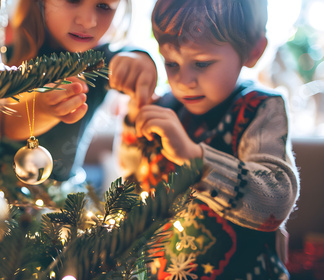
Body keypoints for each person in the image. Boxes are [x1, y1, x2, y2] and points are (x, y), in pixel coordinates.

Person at [118, 0, 300, 278]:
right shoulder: (166, 109)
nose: (183, 80)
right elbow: (129, 183)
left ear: (253, 51)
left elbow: (274, 200)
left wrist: (193, 158)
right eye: (171, 63)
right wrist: (134, 123)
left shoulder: (260, 108)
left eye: (201, 63)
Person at [0, 0, 158, 183]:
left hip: (64, 201)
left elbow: (129, 56)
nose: (88, 21)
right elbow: (5, 125)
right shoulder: (5, 53)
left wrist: (141, 61)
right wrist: (43, 109)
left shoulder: (99, 63)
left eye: (104, 6)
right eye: (73, 0)